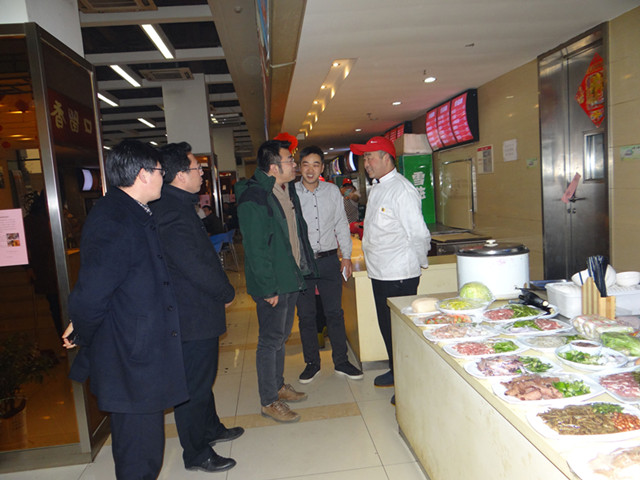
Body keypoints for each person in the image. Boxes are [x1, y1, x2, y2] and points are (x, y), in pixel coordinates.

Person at [62, 140, 189, 479]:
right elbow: (91, 293)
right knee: (139, 450)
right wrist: (82, 330)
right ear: (143, 174)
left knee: (145, 443)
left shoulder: (132, 211)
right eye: (160, 171)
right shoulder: (114, 219)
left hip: (139, 348)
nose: (164, 177)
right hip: (130, 354)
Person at [150, 142, 241, 473]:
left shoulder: (178, 205)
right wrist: (225, 291)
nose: (201, 173)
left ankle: (211, 428)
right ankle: (197, 452)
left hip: (197, 310)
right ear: (178, 175)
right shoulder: (171, 212)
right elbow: (194, 265)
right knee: (193, 386)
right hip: (192, 313)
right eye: (196, 168)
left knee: (204, 378)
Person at [235, 140, 316, 423]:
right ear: (273, 167)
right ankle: (269, 400)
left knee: (281, 338)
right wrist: (268, 287)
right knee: (270, 341)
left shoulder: (283, 189)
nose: (294, 165)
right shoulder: (255, 196)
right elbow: (256, 248)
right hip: (273, 284)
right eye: (289, 161)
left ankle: (278, 386)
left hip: (289, 276)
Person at [350, 136, 431, 402]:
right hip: (380, 272)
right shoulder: (377, 188)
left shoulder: (402, 190)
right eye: (364, 158)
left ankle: (407, 385)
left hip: (399, 274)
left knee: (400, 332)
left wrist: (418, 263)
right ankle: (396, 371)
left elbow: (419, 234)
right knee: (387, 327)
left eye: (370, 157)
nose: (366, 163)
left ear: (387, 158)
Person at [294, 146, 363, 383]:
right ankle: (312, 363)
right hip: (302, 263)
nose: (310, 170)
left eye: (315, 164)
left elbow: (341, 224)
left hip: (328, 260)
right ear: (299, 167)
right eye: (306, 164)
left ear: (322, 168)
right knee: (306, 316)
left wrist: (346, 256)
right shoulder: (291, 193)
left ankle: (341, 362)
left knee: (335, 313)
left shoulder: (332, 191)